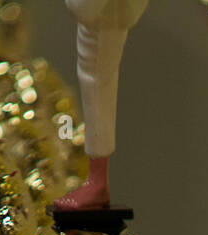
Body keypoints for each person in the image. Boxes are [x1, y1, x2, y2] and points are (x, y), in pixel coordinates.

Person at [54, 0, 149, 212]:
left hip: (105, 14)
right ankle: (96, 179)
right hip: (105, 14)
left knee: (96, 82)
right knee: (95, 80)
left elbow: (84, 10)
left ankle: (97, 181)